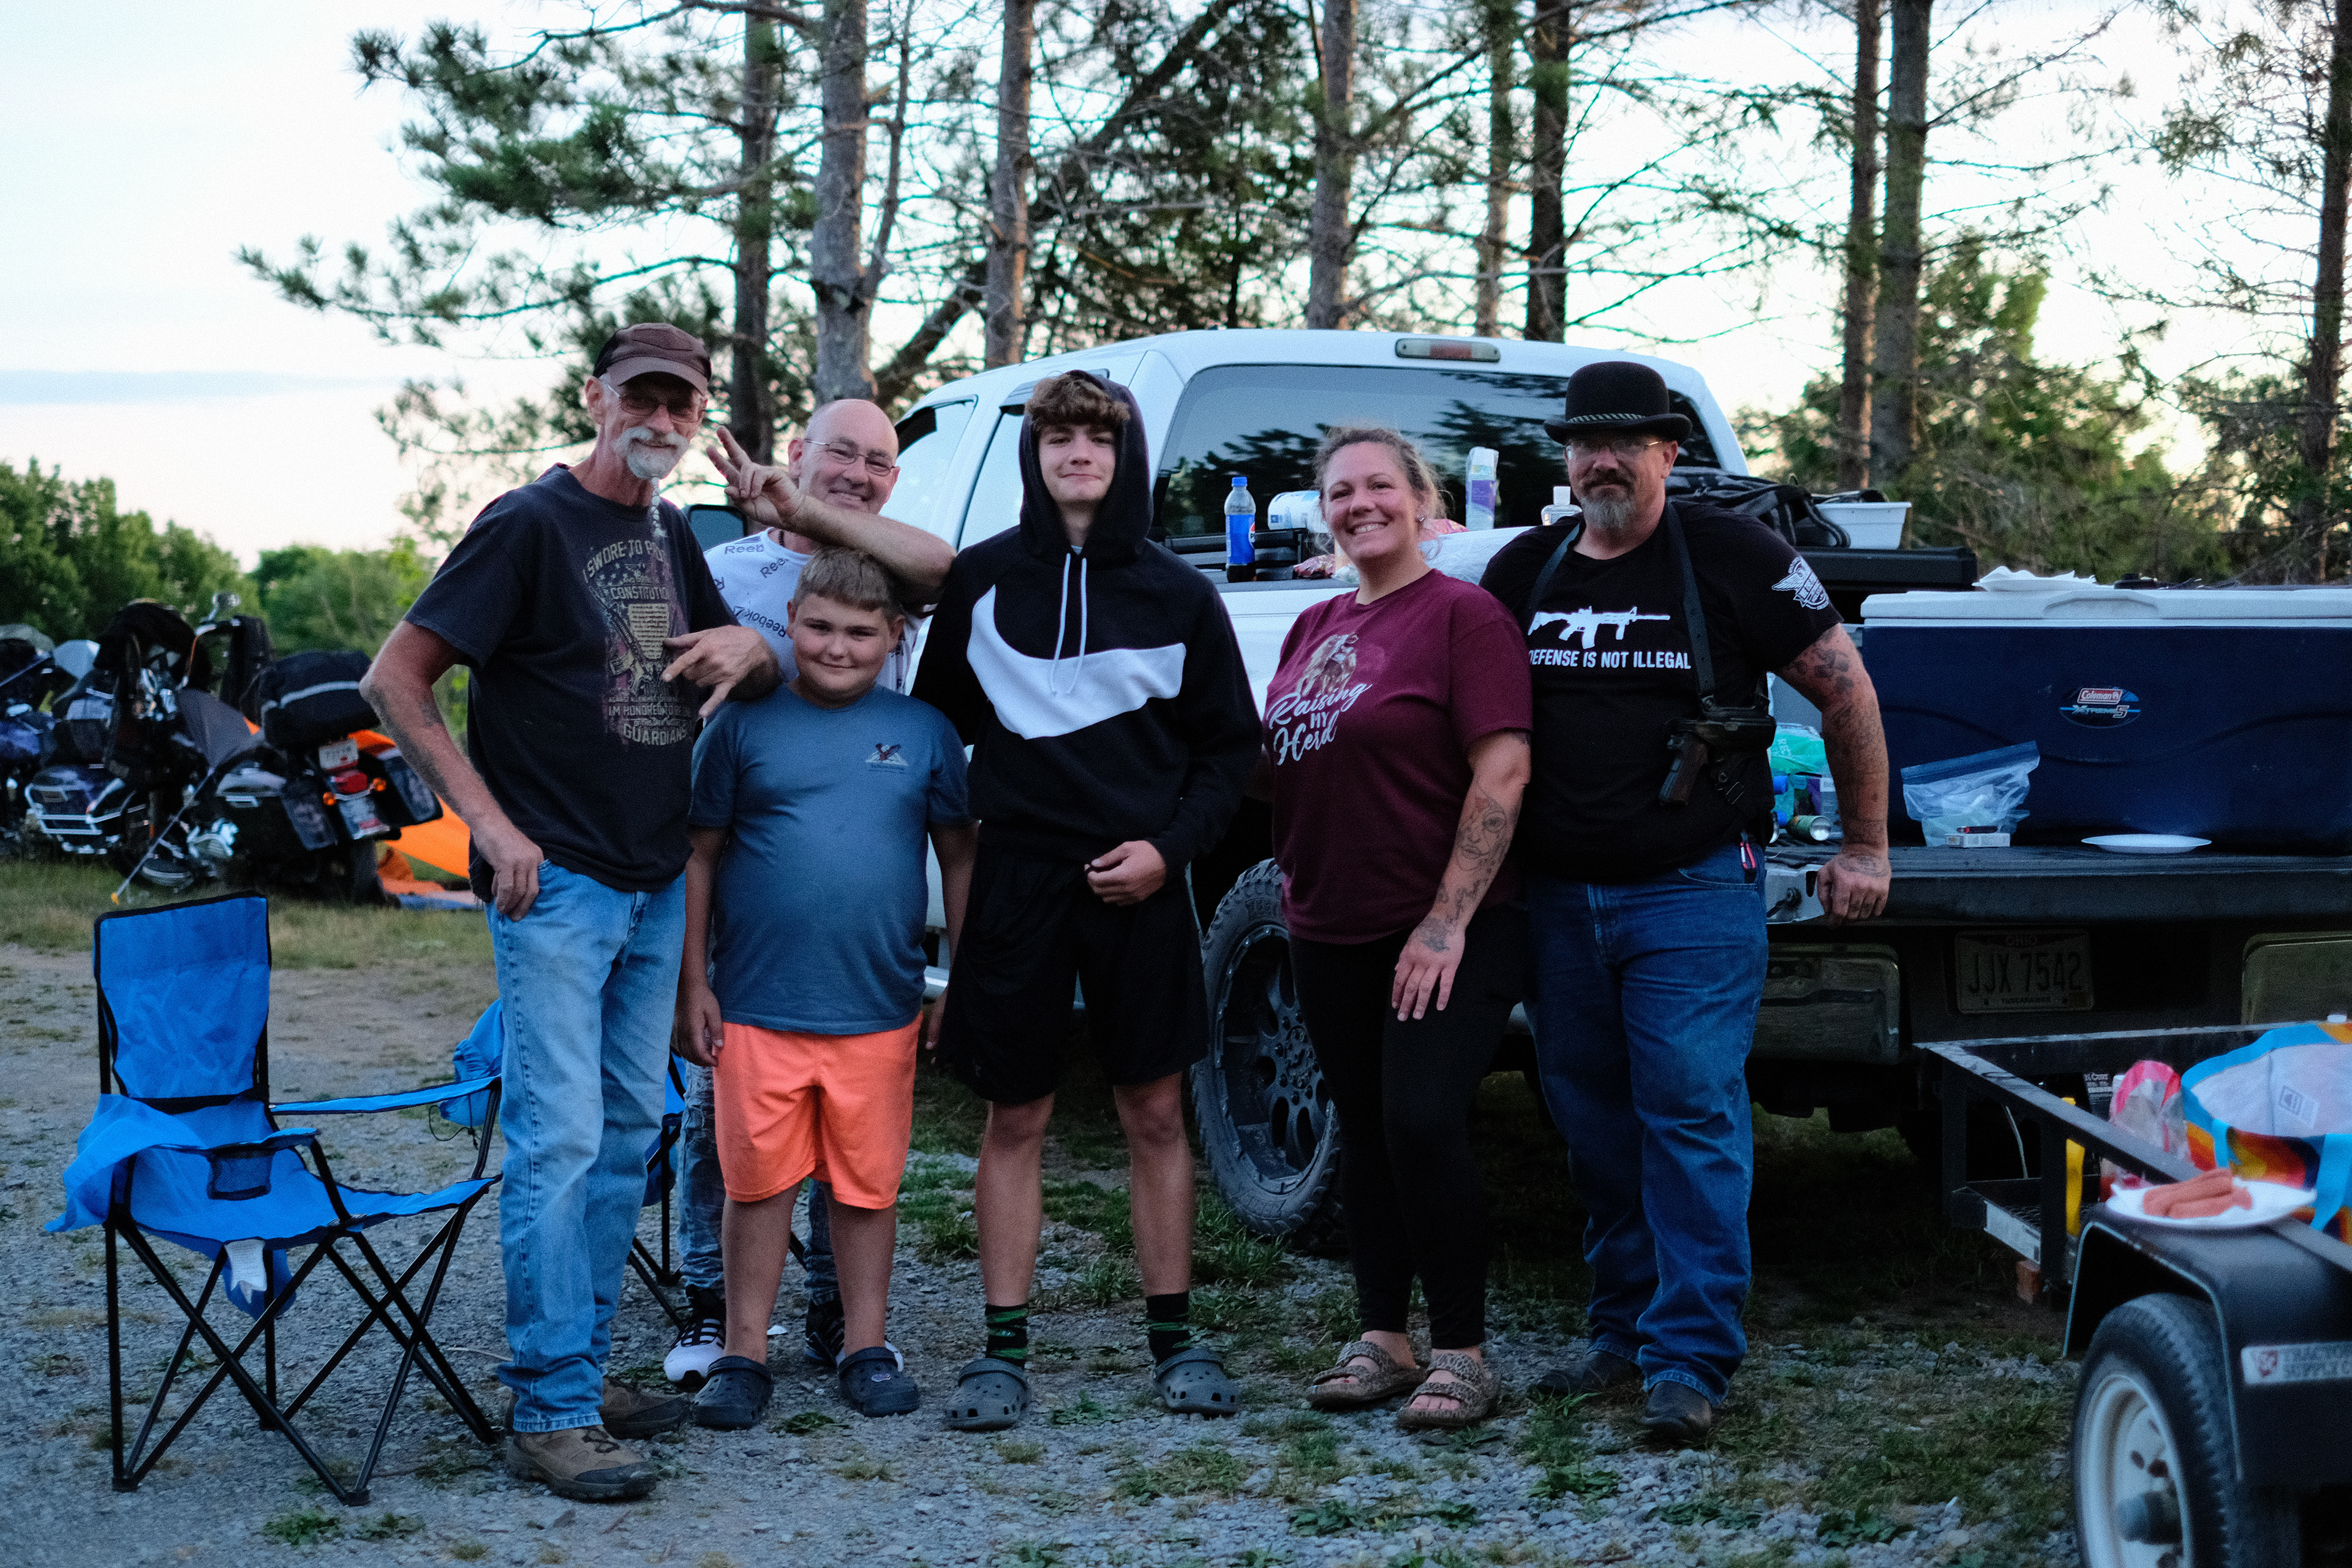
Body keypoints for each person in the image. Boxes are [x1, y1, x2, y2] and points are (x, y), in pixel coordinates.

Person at [360, 323, 783, 1502]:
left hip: (653, 883)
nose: (660, 420)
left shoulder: (662, 532)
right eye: (641, 398)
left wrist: (751, 642)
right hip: (558, 888)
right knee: (559, 1143)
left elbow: (732, 656)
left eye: (682, 405)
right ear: (596, 398)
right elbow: (395, 678)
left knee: (627, 1138)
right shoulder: (528, 524)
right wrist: (490, 828)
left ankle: (583, 1374)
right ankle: (549, 1409)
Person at [1478, 361, 1891, 1447]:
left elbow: (1844, 688)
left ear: (1670, 452)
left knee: (1692, 1112)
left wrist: (1865, 843)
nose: (1602, 460)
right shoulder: (1525, 566)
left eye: (1627, 442)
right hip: (1561, 899)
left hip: (1694, 890)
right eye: (1585, 443)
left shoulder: (1735, 555)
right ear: (1567, 458)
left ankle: (1690, 1360)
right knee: (1592, 1120)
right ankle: (1622, 1331)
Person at [910, 371, 1261, 1431]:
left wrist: (1168, 849)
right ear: (1037, 454)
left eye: (1097, 439)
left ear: (1125, 456)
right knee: (1017, 1114)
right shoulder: (980, 582)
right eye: (1058, 436)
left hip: (1140, 883)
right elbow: (938, 732)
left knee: (1155, 1111)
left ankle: (1173, 1337)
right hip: (1019, 881)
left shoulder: (1178, 594)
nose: (1076, 454)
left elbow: (1230, 749)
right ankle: (1002, 1348)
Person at [663, 401, 957, 1389]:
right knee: (729, 1141)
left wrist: (781, 648)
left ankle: (844, 1323)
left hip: (866, 965)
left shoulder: (896, 580)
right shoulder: (728, 572)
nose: (861, 473)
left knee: (859, 1164)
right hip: (750, 934)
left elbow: (940, 573)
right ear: (798, 451)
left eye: (880, 461)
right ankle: (721, 1318)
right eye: (842, 452)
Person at [1262, 428, 1532, 1430]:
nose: (1360, 503)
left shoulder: (1467, 617)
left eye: (1382, 485)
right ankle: (1382, 1336)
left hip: (1447, 925)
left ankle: (1463, 1350)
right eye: (1340, 491)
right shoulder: (1312, 626)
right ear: (1323, 511)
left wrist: (1444, 920)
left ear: (1424, 504)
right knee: (1366, 1132)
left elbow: (1502, 770)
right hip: (1325, 921)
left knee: (1421, 1120)